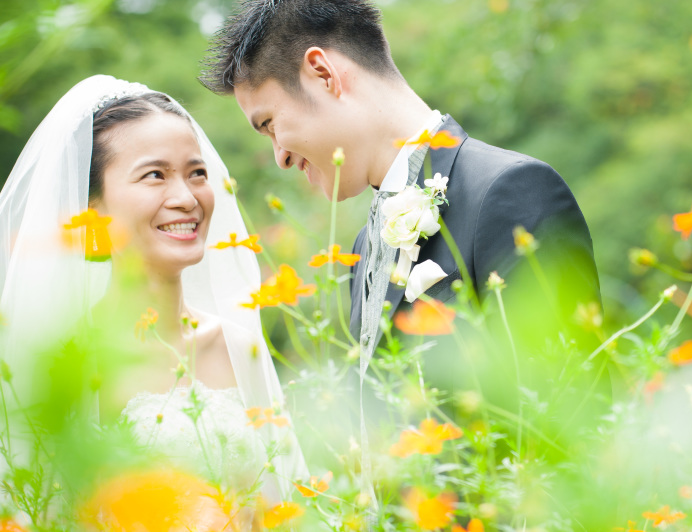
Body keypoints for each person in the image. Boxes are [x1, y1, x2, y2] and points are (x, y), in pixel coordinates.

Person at [200, 0, 600, 364]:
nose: (280, 157)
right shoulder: (363, 245)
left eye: (269, 124)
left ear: (323, 74)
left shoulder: (511, 191)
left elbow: (573, 410)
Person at [0, 76, 306, 524]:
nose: (186, 198)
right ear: (95, 208)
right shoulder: (62, 364)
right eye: (155, 175)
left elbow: (289, 507)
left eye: (197, 173)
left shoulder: (241, 346)